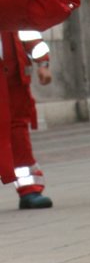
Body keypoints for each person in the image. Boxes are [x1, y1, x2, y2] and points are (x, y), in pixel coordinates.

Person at [0, 29, 54, 209]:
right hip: (10, 74)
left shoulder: (10, 2)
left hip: (12, 77)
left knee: (18, 132)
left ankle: (29, 189)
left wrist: (43, 63)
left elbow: (27, 30)